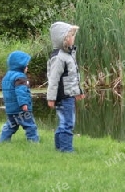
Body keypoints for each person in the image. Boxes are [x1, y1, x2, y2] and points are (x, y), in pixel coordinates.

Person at [47, 21, 85, 152]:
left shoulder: (69, 55)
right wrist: (51, 98)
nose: (73, 38)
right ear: (64, 39)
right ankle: (66, 149)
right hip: (63, 96)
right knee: (67, 123)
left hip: (70, 94)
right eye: (72, 35)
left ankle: (59, 147)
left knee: (64, 121)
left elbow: (73, 77)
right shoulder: (59, 58)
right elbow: (53, 79)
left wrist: (79, 91)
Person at [0, 51, 39, 143]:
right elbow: (21, 92)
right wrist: (24, 104)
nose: (27, 68)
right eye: (26, 65)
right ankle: (33, 142)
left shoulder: (6, 76)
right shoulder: (20, 77)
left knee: (11, 125)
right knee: (30, 126)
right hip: (21, 109)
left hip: (10, 109)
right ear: (20, 65)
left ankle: (3, 141)